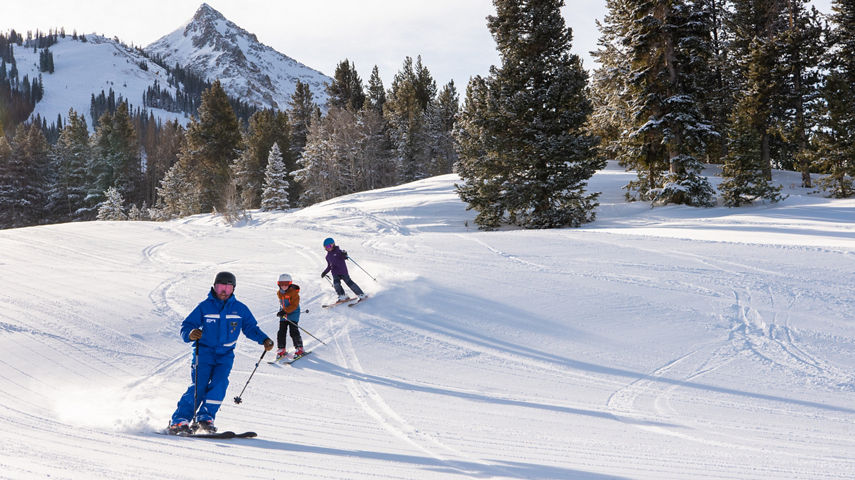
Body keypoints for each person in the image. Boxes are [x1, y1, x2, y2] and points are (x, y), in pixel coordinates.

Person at [167, 271, 274, 435]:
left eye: (227, 287)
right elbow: (187, 325)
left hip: (225, 356)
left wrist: (264, 340)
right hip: (203, 353)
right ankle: (179, 421)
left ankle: (206, 418)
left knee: (220, 383)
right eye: (220, 287)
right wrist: (190, 334)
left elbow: (251, 328)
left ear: (233, 289)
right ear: (214, 287)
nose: (223, 291)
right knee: (199, 386)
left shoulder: (240, 309)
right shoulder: (205, 306)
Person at [321, 237, 367, 302]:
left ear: (333, 244)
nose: (328, 248)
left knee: (349, 283)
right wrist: (324, 272)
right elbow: (329, 266)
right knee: (336, 284)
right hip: (335, 273)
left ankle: (361, 294)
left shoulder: (338, 251)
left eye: (329, 246)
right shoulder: (327, 256)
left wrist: (345, 254)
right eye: (326, 247)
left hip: (343, 271)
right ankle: (342, 296)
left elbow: (344, 257)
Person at [275, 273, 304, 360]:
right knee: (281, 332)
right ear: (279, 284)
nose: (284, 286)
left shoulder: (294, 293)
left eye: (286, 284)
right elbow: (282, 303)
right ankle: (281, 348)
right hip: (284, 314)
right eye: (282, 284)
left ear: (290, 284)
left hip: (293, 313)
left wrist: (284, 311)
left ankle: (299, 347)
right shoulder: (279, 293)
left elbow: (294, 305)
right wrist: (281, 311)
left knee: (293, 331)